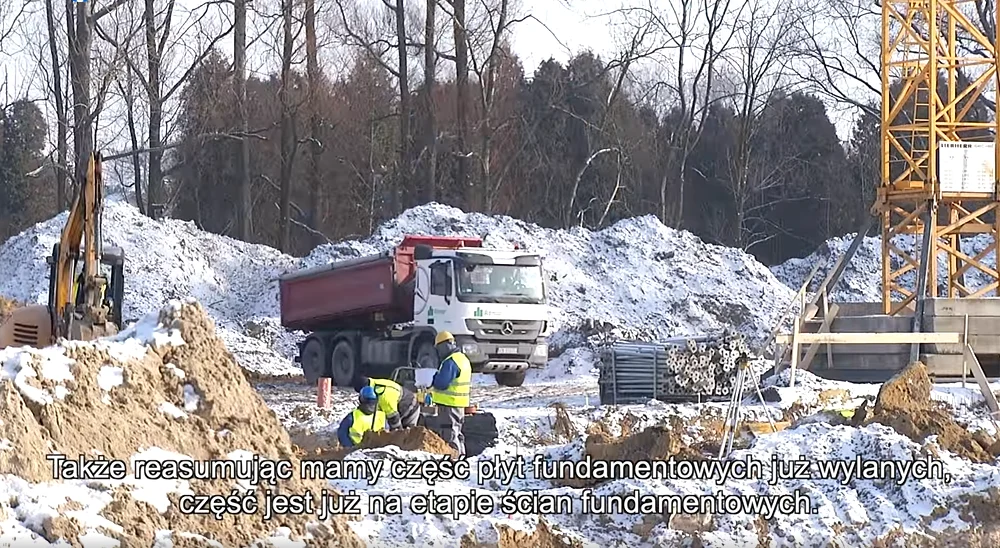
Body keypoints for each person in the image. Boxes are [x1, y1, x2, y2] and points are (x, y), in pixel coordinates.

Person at [429, 331, 472, 457]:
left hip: (449, 405)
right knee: (457, 431)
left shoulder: (450, 361)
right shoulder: (462, 359)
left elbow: (441, 383)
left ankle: (454, 460)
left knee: (449, 432)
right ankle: (461, 455)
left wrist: (435, 377)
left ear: (444, 345)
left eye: (438, 349)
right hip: (459, 404)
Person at [351, 375, 420, 431]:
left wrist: (397, 435)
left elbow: (394, 419)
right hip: (402, 403)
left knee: (407, 436)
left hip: (410, 407)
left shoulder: (383, 396)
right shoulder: (373, 384)